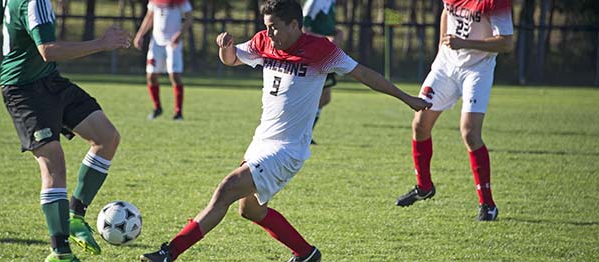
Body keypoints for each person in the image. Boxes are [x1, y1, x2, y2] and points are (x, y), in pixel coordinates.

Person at [140, 1, 431, 261]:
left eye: (275, 28)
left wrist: (407, 98)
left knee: (225, 190)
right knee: (249, 210)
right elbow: (231, 59)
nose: (269, 34)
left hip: (287, 149)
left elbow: (366, 75)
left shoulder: (321, 50)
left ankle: (170, 253)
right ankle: (306, 253)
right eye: (266, 27)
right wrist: (224, 47)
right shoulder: (263, 43)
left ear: (294, 25)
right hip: (261, 142)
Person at [0, 0, 131, 261]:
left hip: (50, 81)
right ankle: (60, 252)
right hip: (23, 90)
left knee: (106, 137)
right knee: (53, 163)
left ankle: (75, 216)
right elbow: (48, 50)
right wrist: (102, 43)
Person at [394, 0, 513, 222]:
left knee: (470, 133)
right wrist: (442, 47)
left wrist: (465, 43)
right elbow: (446, 13)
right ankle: (424, 187)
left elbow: (506, 43)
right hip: (446, 66)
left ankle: (487, 204)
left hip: (477, 70)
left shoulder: (495, 2)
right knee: (420, 124)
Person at [133, 0, 194, 121]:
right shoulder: (155, 1)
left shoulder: (181, 1)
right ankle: (157, 108)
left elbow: (189, 19)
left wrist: (179, 35)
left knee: (175, 76)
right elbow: (149, 16)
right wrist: (140, 34)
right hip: (156, 44)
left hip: (173, 44)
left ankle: (178, 112)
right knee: (151, 76)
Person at [301, 0, 342, 144]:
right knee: (312, 97)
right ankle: (302, 134)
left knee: (324, 97)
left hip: (326, 54)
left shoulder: (330, 2)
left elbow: (324, 26)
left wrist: (336, 32)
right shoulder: (314, 2)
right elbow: (303, 29)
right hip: (315, 54)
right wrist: (326, 39)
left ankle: (305, 134)